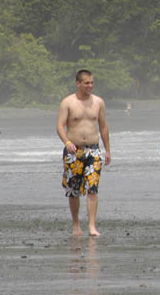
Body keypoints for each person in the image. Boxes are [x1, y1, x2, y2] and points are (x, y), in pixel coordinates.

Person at [57, 69, 111, 237]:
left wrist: (107, 150)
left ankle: (92, 226)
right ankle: (76, 225)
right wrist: (67, 142)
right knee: (73, 190)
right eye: (86, 83)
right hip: (74, 151)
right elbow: (60, 126)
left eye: (92, 82)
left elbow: (103, 126)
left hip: (93, 150)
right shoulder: (68, 102)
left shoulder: (98, 102)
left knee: (92, 188)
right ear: (78, 83)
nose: (90, 86)